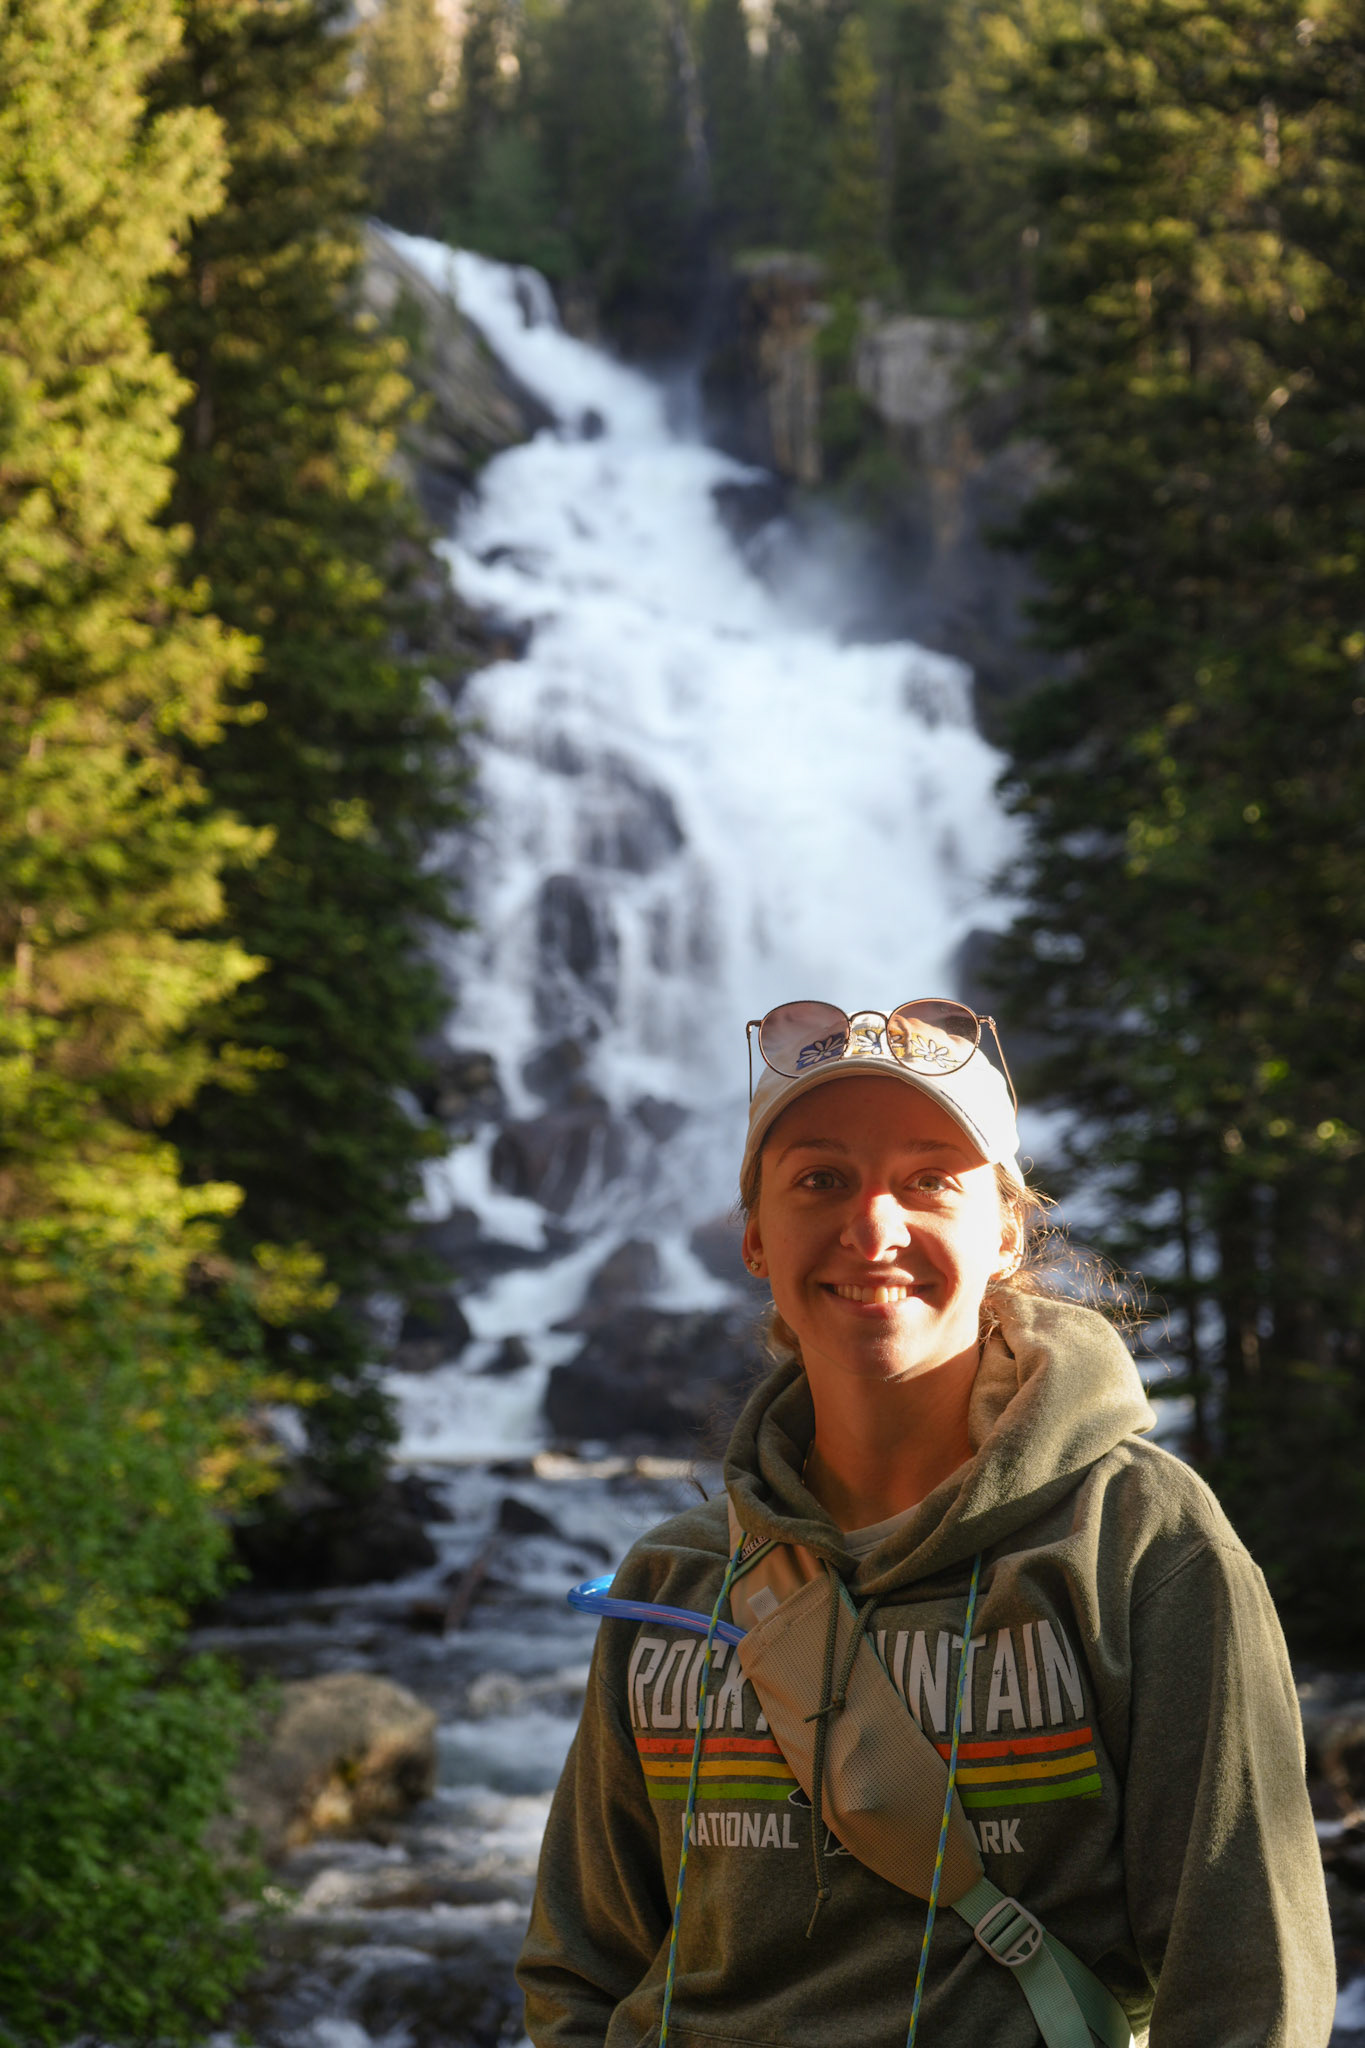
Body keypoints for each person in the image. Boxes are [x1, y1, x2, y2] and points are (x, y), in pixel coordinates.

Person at [517, 999, 1335, 2047]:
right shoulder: (672, 1581)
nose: (873, 1228)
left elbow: (1248, 1982)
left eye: (928, 1179)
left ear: (1006, 1232)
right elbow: (579, 1965)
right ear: (755, 1236)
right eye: (821, 1179)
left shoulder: (1136, 1541)